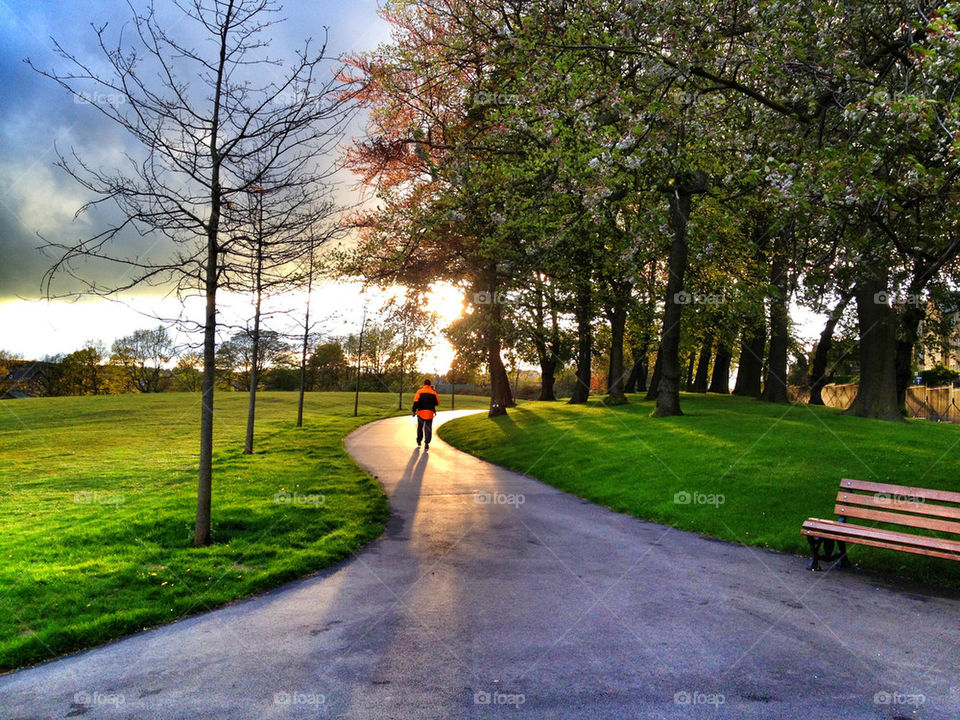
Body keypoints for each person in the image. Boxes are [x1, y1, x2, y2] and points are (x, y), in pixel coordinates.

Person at [411, 378, 440, 449]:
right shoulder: (433, 393)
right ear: (430, 385)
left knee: (420, 427)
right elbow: (437, 403)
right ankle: (427, 442)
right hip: (430, 413)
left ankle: (419, 440)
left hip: (421, 413)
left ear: (424, 384)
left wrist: (413, 411)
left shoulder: (419, 391)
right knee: (428, 428)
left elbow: (416, 402)